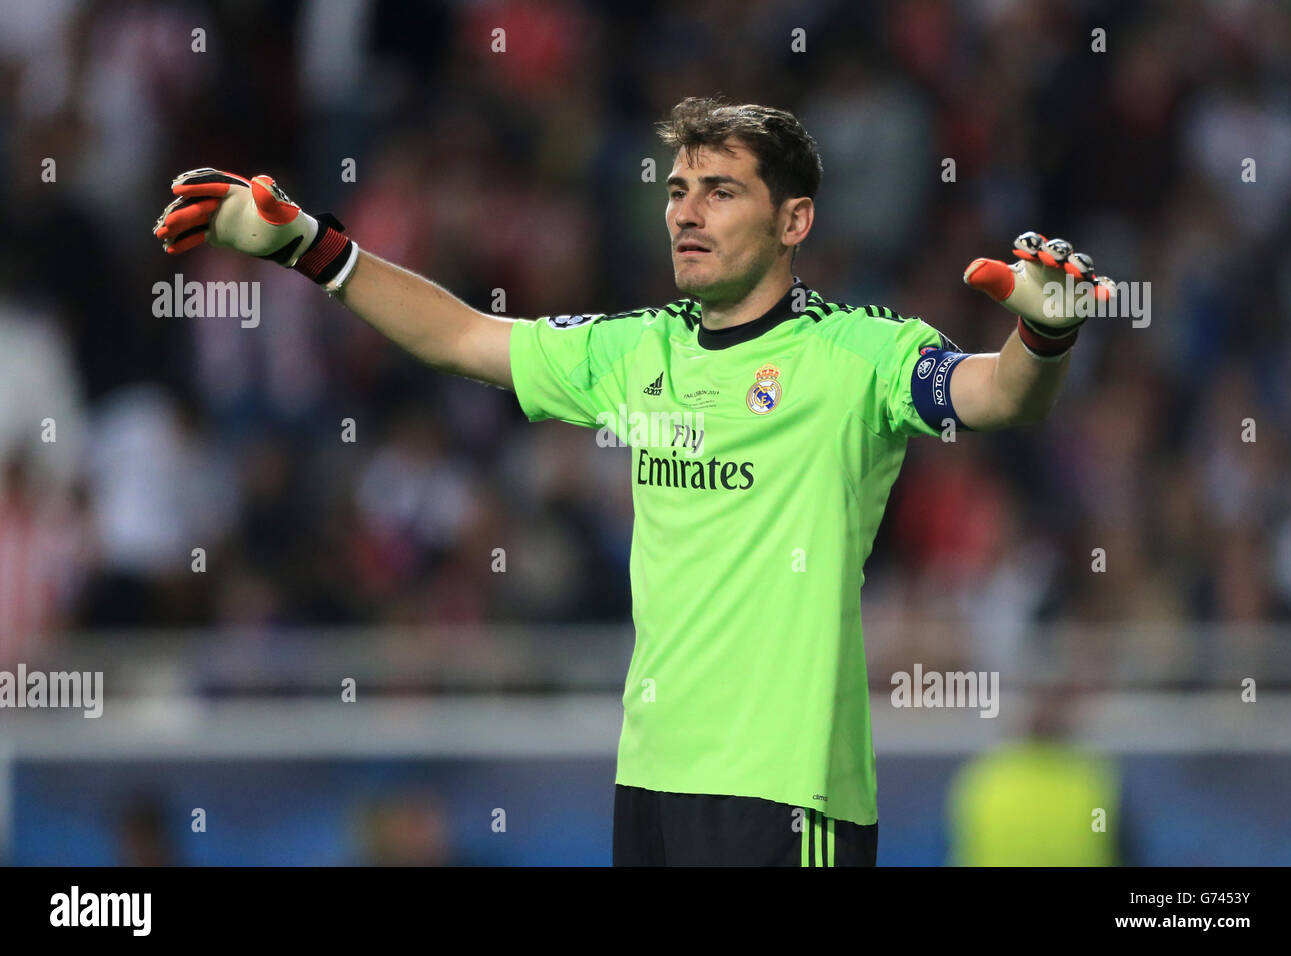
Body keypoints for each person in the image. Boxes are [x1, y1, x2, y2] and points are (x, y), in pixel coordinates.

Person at [153, 96, 1115, 867]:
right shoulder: (632, 350)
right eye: (678, 188)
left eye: (721, 192)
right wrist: (310, 247)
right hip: (651, 784)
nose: (687, 211)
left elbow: (995, 397)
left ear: (795, 220)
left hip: (789, 794)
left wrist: (1046, 332)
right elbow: (459, 335)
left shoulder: (856, 354)